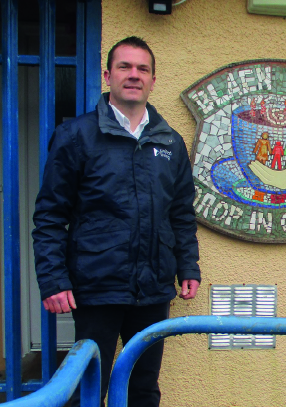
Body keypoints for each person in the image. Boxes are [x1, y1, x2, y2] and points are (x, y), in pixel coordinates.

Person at [32, 36, 200, 407]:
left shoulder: (170, 142)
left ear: (153, 80)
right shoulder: (76, 136)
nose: (134, 75)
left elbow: (181, 213)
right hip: (96, 288)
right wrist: (53, 280)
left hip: (153, 289)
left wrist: (188, 266)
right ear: (108, 76)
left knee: (143, 390)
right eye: (125, 67)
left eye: (143, 69)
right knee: (89, 390)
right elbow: (50, 214)